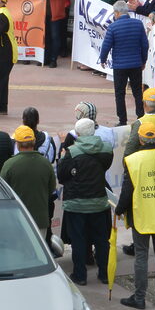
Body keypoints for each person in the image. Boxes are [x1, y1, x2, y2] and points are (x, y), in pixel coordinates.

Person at [116, 122, 155, 310]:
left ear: (142, 139)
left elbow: (127, 191)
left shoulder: (134, 160)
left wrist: (119, 209)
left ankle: (140, 297)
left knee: (141, 256)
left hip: (141, 215)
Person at [58, 117, 113, 285]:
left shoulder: (71, 152)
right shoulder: (106, 149)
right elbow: (105, 166)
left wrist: (62, 158)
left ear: (79, 133)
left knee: (79, 240)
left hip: (77, 203)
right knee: (102, 240)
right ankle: (104, 274)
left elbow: (61, 176)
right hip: (99, 201)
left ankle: (80, 275)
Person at [98, 0, 148, 126]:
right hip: (136, 64)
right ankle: (140, 117)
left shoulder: (113, 27)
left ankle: (122, 121)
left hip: (120, 66)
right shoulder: (138, 24)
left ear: (117, 13)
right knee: (137, 92)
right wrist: (143, 60)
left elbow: (106, 46)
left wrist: (103, 59)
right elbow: (145, 45)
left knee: (120, 93)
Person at [0, 125, 57, 234]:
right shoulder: (45, 163)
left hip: (17, 219)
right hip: (40, 220)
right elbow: (51, 189)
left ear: (17, 143)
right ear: (34, 141)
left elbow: (4, 192)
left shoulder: (9, 164)